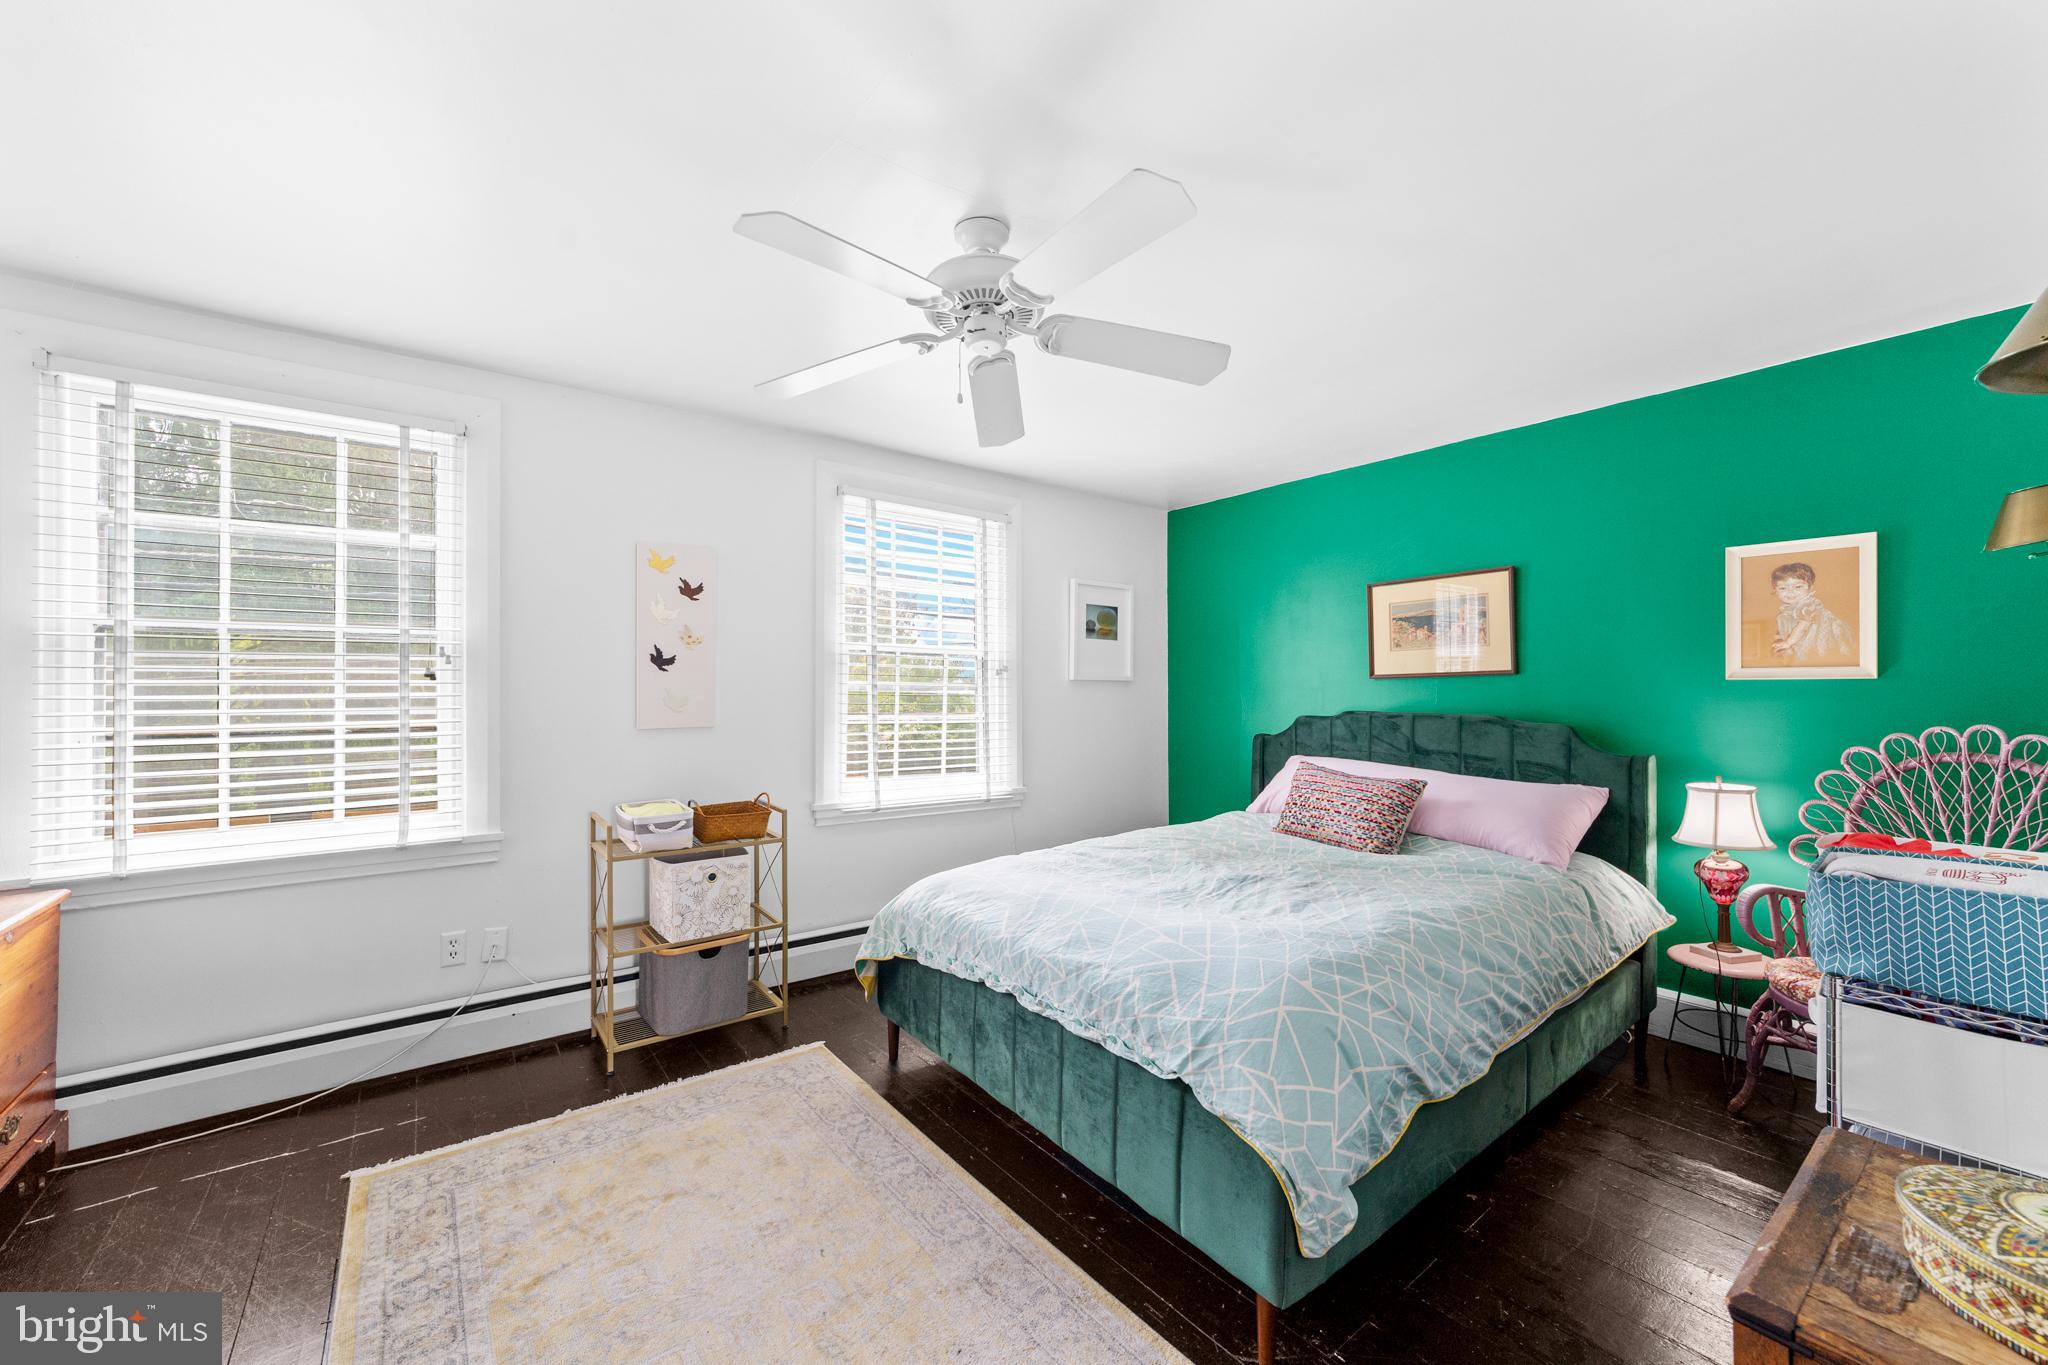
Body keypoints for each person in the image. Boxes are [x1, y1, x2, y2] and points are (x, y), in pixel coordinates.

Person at [1769, 561, 1853, 663]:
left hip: (1817, 636)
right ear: (1775, 590)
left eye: (1798, 587)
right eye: (1783, 588)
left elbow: (1803, 627)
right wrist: (1779, 639)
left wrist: (1787, 643)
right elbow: (1783, 628)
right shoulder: (1785, 611)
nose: (1790, 591)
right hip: (1797, 640)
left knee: (1818, 656)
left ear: (1810, 588)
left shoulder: (1808, 605)